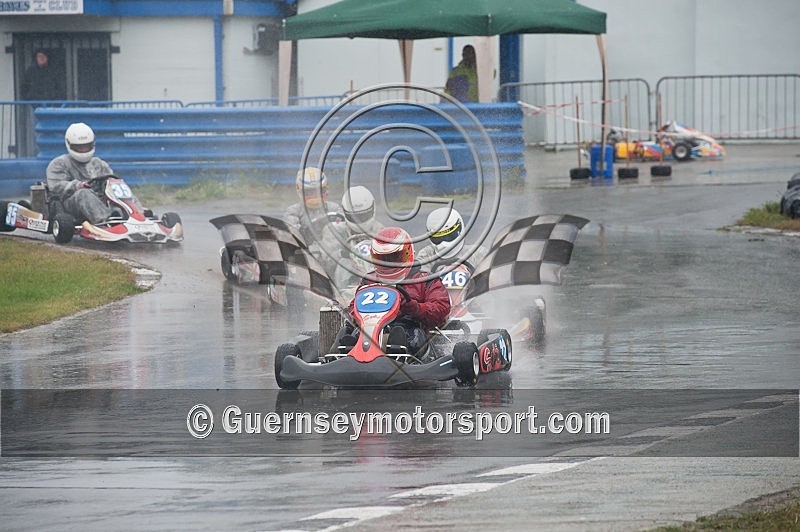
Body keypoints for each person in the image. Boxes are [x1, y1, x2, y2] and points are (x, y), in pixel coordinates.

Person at [345, 227, 451, 355]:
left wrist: (416, 308)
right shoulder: (369, 280)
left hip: (410, 327)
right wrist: (357, 315)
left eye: (394, 258)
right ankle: (344, 353)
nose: (388, 264)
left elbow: (442, 309)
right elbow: (353, 306)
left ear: (408, 253)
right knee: (352, 334)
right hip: (371, 329)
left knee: (409, 335)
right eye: (382, 259)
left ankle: (397, 351)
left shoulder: (426, 280)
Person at [46, 122, 145, 226]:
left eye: (86, 146)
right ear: (70, 145)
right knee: (83, 193)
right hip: (70, 205)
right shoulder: (59, 164)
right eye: (79, 147)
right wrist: (78, 185)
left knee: (122, 192)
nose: (83, 150)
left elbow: (112, 183)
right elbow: (56, 187)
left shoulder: (99, 164)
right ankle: (106, 222)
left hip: (101, 201)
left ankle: (140, 217)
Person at [332, 185, 383, 289]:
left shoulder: (381, 231)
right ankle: (345, 293)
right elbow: (325, 260)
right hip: (346, 283)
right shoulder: (335, 231)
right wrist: (342, 253)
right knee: (343, 263)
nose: (359, 221)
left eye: (363, 216)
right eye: (354, 217)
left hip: (377, 278)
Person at [283, 167, 343, 244]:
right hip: (306, 249)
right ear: (299, 191)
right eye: (309, 192)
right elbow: (292, 232)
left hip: (333, 248)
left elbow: (345, 227)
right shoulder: (293, 211)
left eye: (319, 191)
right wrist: (305, 231)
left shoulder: (334, 208)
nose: (315, 196)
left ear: (326, 189)